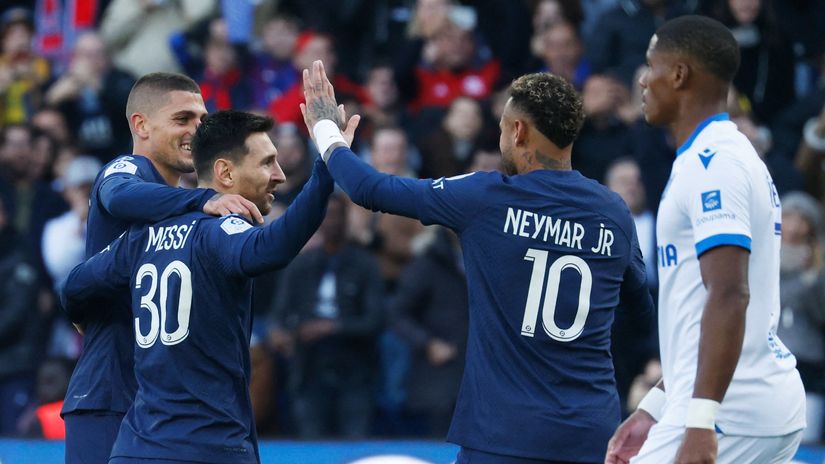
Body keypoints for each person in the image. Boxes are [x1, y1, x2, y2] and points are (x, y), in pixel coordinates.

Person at [300, 60, 653, 463]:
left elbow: (369, 188)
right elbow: (640, 313)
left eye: (502, 127)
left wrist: (326, 130)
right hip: (591, 433)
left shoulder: (486, 197)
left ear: (518, 131)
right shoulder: (614, 212)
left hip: (503, 434)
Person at [59, 110, 334, 463]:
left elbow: (74, 286)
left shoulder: (141, 238)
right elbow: (272, 247)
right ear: (225, 172)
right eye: (267, 163)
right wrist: (326, 166)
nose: (279, 176)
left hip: (136, 449)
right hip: (206, 444)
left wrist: (85, 317)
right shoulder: (219, 231)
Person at [605, 15, 806, 464]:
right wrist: (656, 406)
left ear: (679, 75)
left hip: (732, 409)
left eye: (650, 65)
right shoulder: (710, 156)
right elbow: (697, 312)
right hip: (735, 402)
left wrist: (699, 421)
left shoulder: (715, 165)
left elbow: (730, 293)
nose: (642, 80)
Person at [62, 73, 262, 464]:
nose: (197, 130)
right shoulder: (125, 170)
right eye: (183, 118)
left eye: (202, 119)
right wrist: (204, 199)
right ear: (141, 125)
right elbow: (120, 197)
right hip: (110, 392)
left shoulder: (181, 204)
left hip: (164, 405)